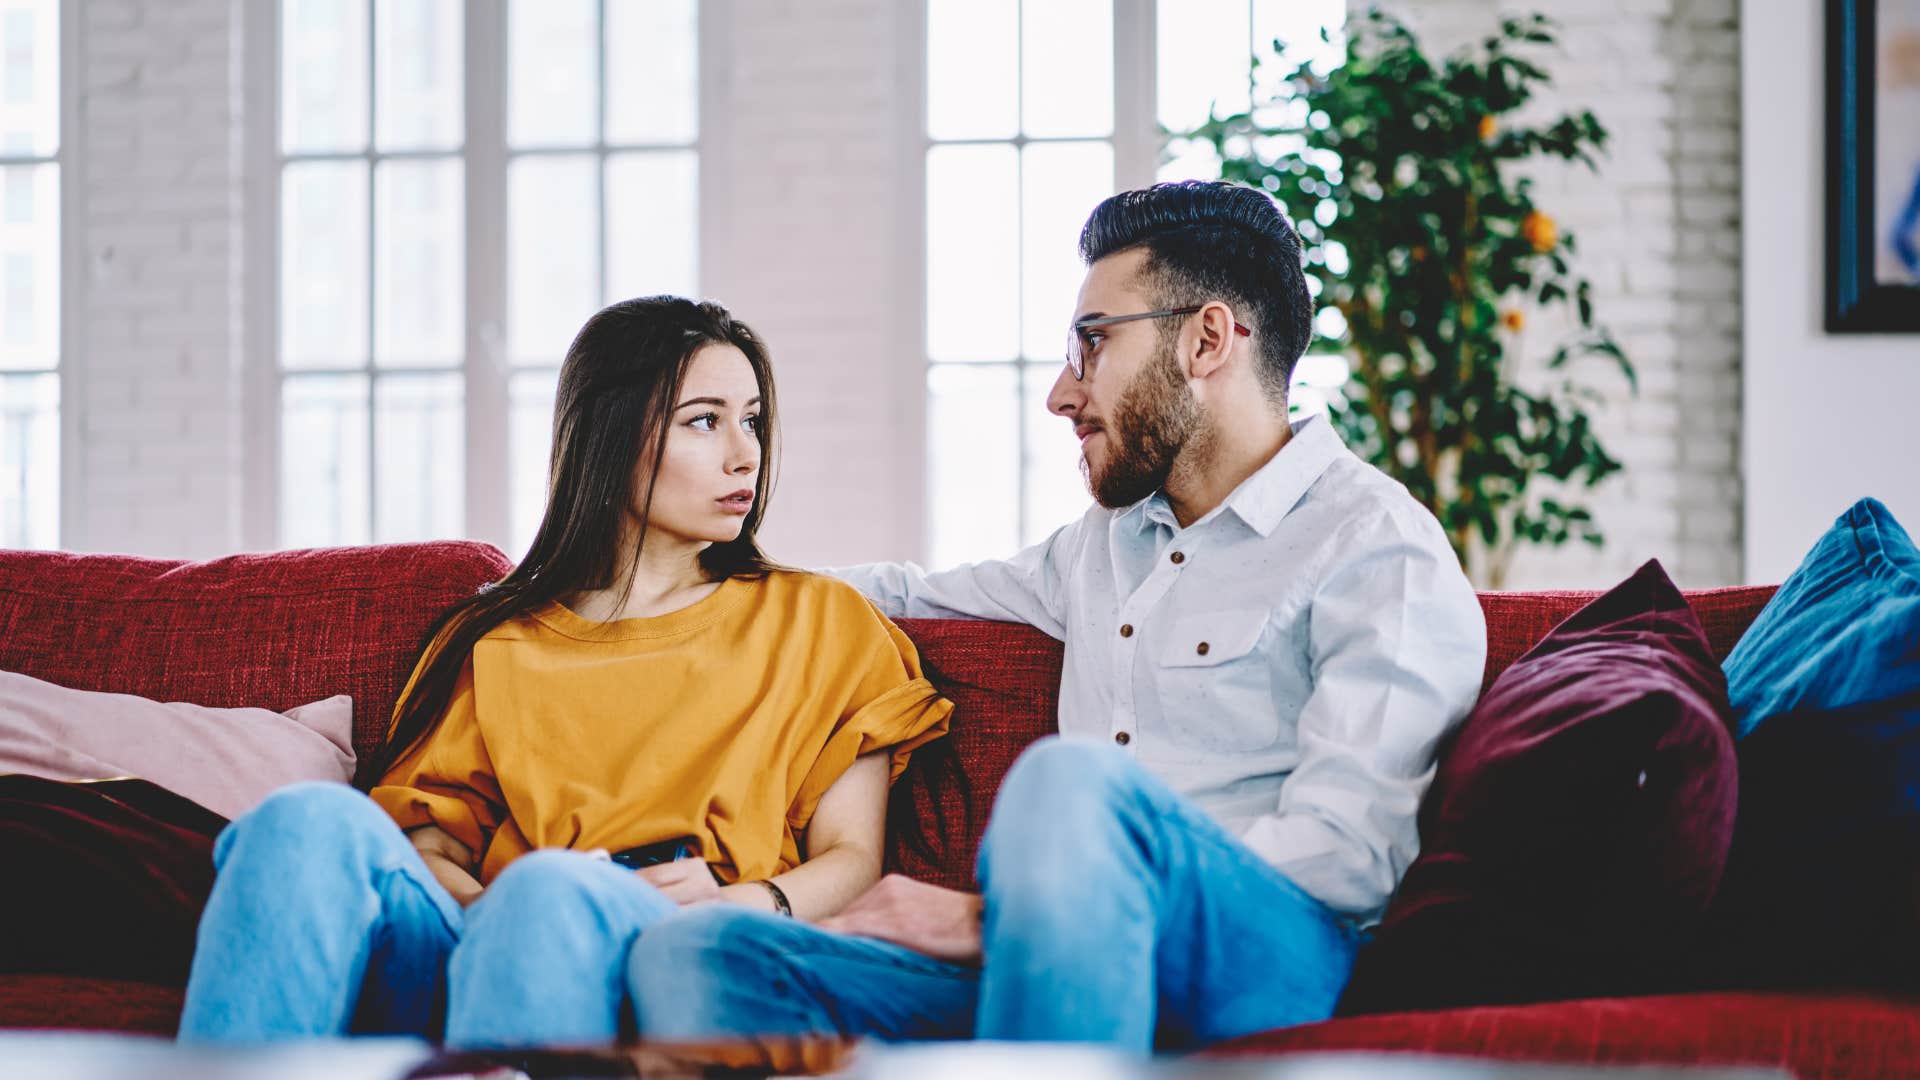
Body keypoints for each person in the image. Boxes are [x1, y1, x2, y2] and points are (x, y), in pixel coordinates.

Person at [626, 181, 1488, 1053]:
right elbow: (904, 593)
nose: (1062, 395)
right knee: (699, 953)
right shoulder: (1105, 546)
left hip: (1273, 960)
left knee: (1070, 784)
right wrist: (659, 581)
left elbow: (1349, 857)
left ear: (1208, 339)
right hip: (1049, 957)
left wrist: (998, 914)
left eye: (1092, 343)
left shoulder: (1375, 546)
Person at [177, 297, 952, 1047]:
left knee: (551, 889)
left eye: (751, 420)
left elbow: (854, 857)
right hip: (478, 944)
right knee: (300, 820)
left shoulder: (821, 621)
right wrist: (494, 918)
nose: (744, 453)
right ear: (611, 437)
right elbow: (431, 846)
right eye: (705, 421)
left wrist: (743, 902)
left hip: (661, 945)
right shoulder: (503, 641)